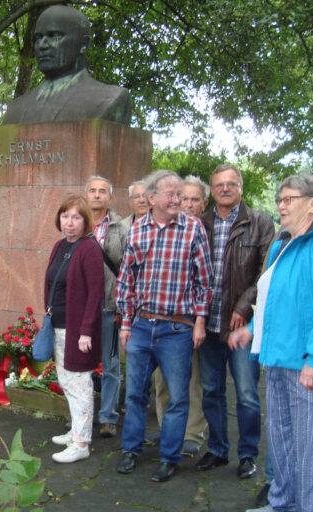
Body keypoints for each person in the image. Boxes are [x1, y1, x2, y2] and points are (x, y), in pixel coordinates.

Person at [233, 175, 313, 512]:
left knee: (312, 449)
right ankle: (282, 503)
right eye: (280, 198)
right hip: (278, 359)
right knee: (283, 444)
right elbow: (274, 299)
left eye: (289, 199)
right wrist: (253, 328)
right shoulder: (282, 243)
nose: (281, 205)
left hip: (311, 366)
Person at [115, 170, 213, 482]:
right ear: (152, 198)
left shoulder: (193, 227)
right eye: (170, 194)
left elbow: (205, 282)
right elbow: (126, 280)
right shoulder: (138, 229)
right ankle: (130, 449)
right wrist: (126, 324)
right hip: (142, 326)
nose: (177, 200)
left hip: (177, 329)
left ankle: (169, 457)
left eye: (179, 194)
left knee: (178, 397)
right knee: (135, 395)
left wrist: (199, 322)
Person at [195, 164, 274, 480]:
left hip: (241, 327)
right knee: (212, 390)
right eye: (218, 185)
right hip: (208, 323)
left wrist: (246, 306)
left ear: (241, 187)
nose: (224, 189)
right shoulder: (201, 224)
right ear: (212, 191)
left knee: (246, 393)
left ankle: (248, 454)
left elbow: (266, 273)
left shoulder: (260, 224)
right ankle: (217, 448)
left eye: (231, 184)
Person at [149, 175, 211, 456]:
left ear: (203, 203)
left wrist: (200, 319)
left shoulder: (200, 229)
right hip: (159, 320)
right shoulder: (160, 228)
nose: (186, 204)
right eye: (182, 198)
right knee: (161, 380)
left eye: (194, 199)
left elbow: (205, 280)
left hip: (188, 320)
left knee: (190, 378)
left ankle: (193, 432)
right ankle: (167, 430)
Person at [46, 194, 104, 463]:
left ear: (85, 221)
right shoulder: (60, 246)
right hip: (58, 326)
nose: (69, 222)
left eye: (76, 217)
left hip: (77, 331)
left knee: (80, 384)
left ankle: (81, 443)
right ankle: (75, 431)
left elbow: (95, 294)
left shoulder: (89, 248)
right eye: (65, 216)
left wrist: (86, 331)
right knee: (67, 382)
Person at [2, 5, 131, 125]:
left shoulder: (109, 100)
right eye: (38, 38)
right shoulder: (14, 111)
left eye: (55, 36)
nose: (42, 45)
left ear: (83, 44)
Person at [85, 176, 132, 438]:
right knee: (81, 364)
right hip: (83, 309)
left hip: (109, 306)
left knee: (110, 364)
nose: (97, 195)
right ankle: (83, 414)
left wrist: (122, 308)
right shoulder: (77, 224)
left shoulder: (121, 229)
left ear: (110, 197)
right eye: (92, 190)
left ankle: (108, 417)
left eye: (102, 191)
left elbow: (127, 270)